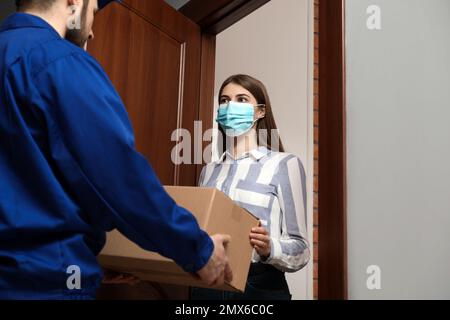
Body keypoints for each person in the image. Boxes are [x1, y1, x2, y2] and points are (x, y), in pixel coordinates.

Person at [0, 0, 232, 299]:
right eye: (93, 11)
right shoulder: (60, 61)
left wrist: (87, 266)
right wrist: (198, 250)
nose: (92, 31)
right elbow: (118, 180)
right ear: (73, 2)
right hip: (40, 284)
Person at [190, 74, 310, 300]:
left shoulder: (284, 165)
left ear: (260, 111)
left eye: (242, 99)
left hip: (259, 288)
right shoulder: (209, 170)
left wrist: (269, 248)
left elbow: (301, 250)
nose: (230, 106)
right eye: (224, 100)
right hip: (208, 286)